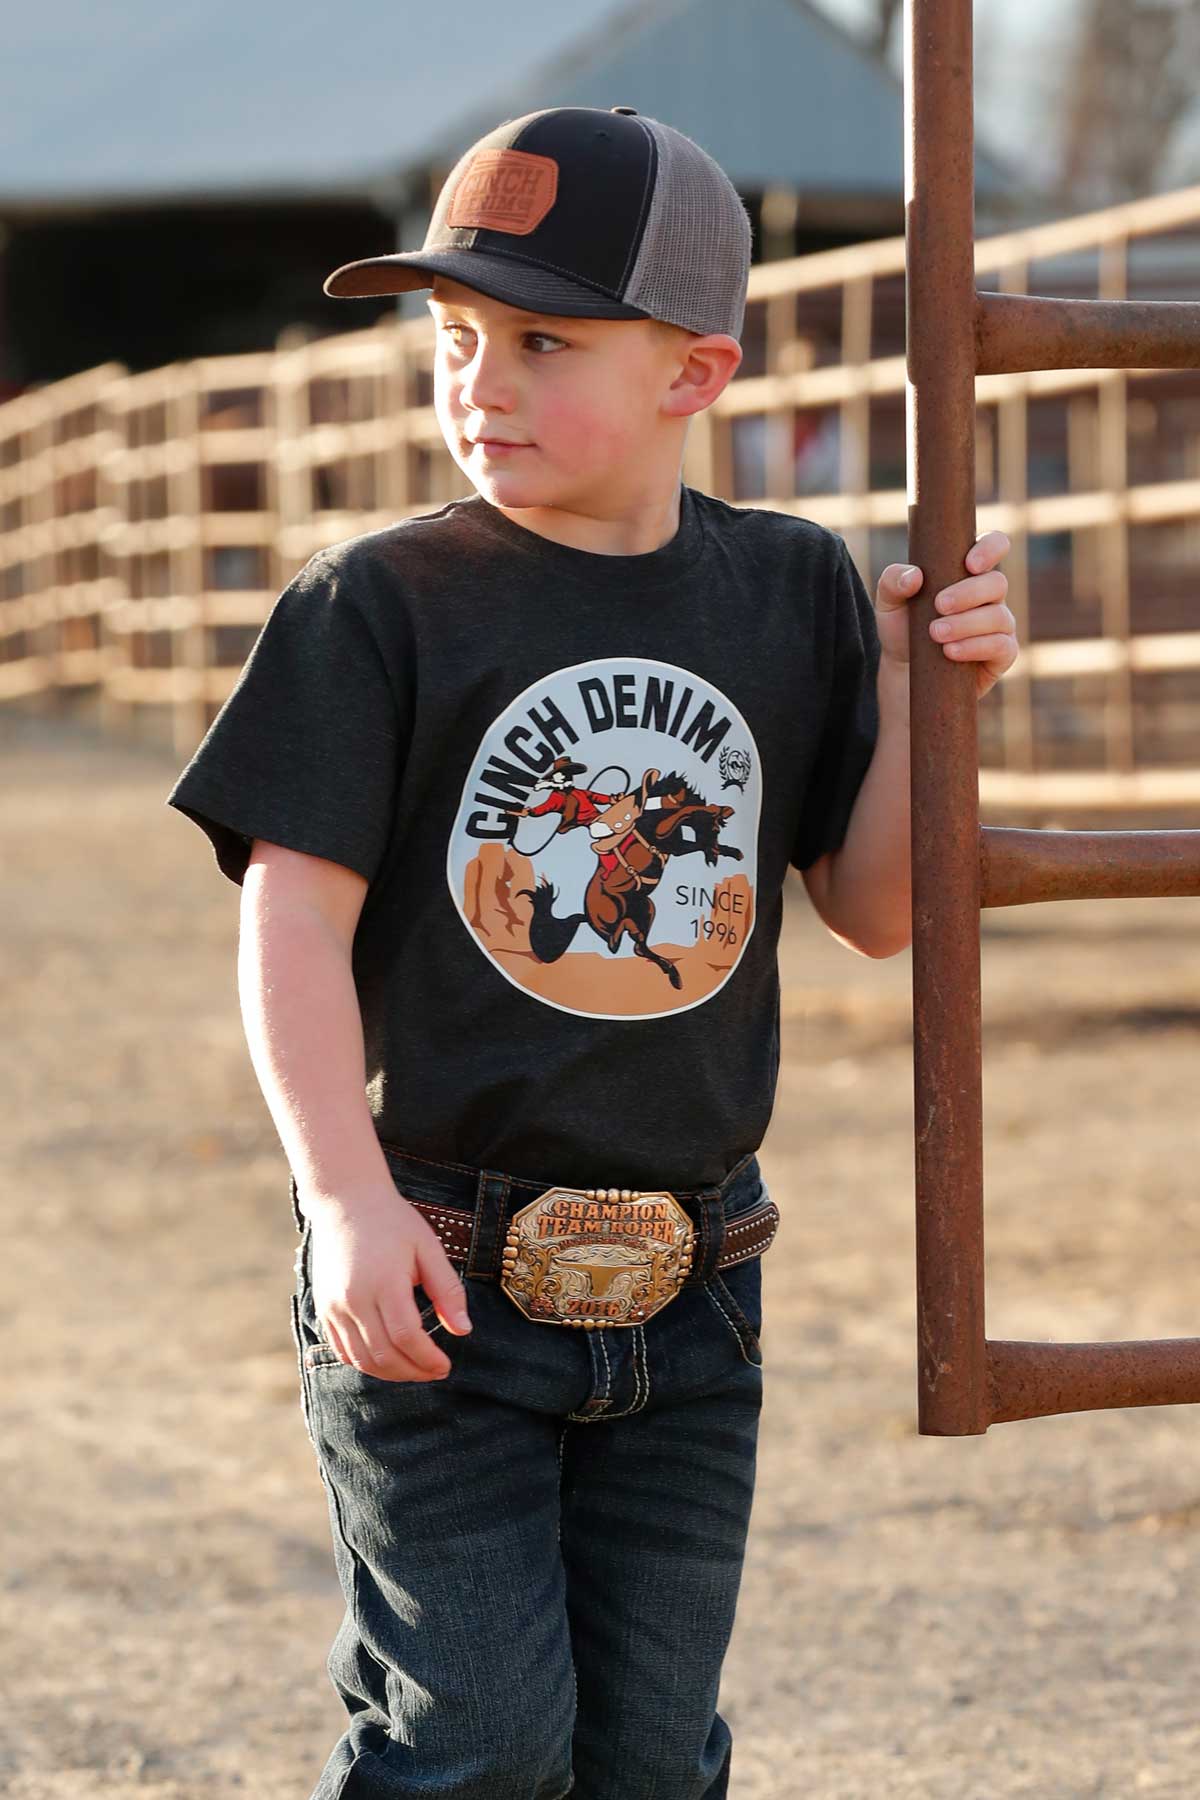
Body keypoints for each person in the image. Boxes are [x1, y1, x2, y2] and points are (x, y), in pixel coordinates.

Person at [165, 105, 1017, 1800]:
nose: (479, 382)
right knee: (475, 1744)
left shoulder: (791, 594)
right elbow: (293, 918)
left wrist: (934, 696)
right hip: (439, 1263)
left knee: (648, 1757)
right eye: (456, 337)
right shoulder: (380, 607)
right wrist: (343, 1200)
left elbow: (869, 909)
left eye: (542, 342)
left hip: (700, 1285)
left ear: (693, 378)